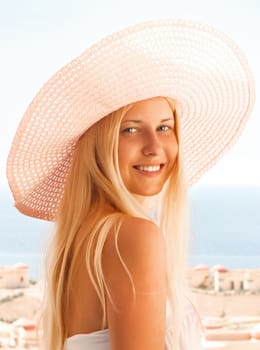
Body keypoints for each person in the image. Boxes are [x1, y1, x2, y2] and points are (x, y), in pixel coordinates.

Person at [6, 19, 255, 350]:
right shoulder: (133, 235)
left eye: (165, 127)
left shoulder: (84, 237)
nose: (154, 146)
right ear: (99, 144)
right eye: (131, 130)